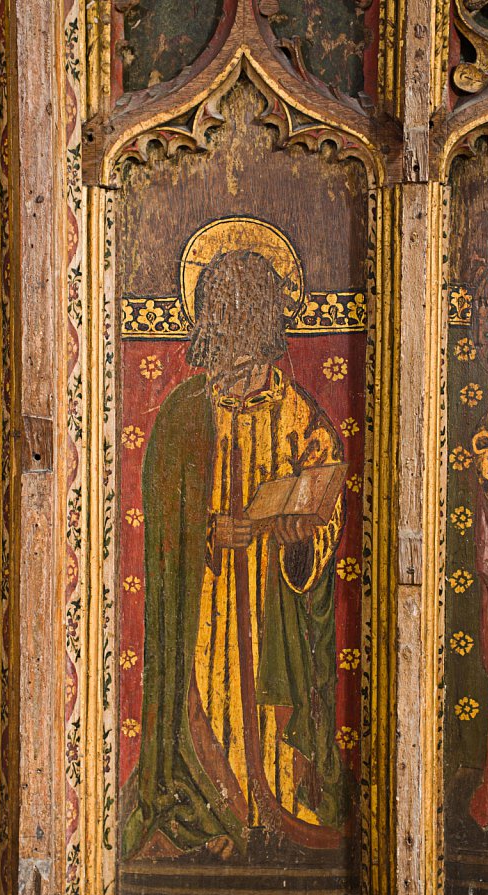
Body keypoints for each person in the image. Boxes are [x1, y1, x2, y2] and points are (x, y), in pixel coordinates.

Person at [122, 248, 351, 861]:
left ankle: (276, 809)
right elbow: (162, 525)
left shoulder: (297, 411)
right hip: (209, 599)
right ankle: (209, 812)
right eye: (222, 319)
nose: (231, 336)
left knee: (272, 714)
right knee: (206, 698)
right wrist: (206, 534)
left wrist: (301, 538)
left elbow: (325, 499)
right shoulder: (182, 412)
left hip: (273, 599)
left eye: (243, 319)